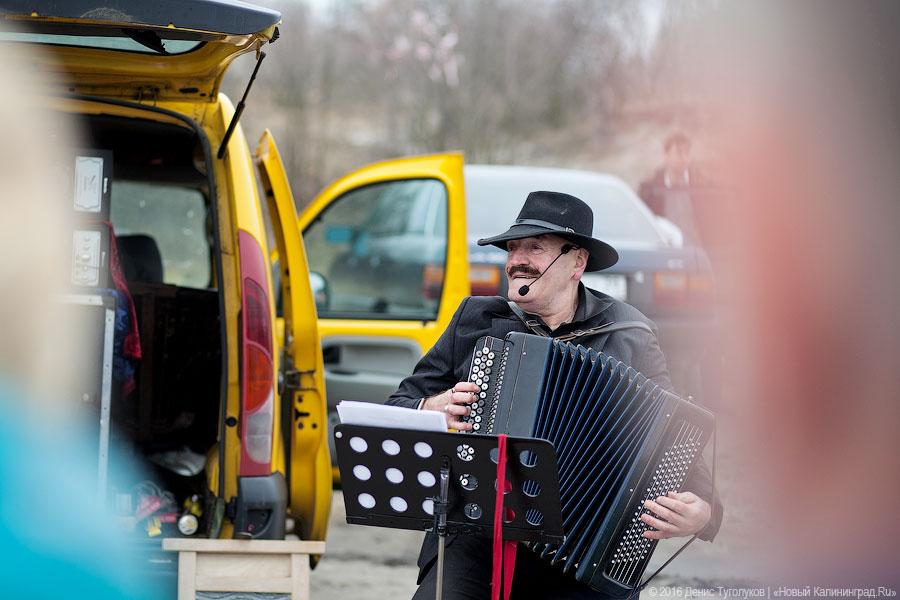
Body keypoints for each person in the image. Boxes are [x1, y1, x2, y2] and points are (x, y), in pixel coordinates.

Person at [387, 191, 723, 599]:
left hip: (584, 550)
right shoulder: (476, 321)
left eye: (534, 247)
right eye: (512, 248)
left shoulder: (629, 336)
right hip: (477, 535)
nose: (516, 260)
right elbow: (397, 407)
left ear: (577, 263)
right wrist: (431, 407)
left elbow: (675, 438)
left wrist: (704, 511)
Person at [639, 132, 705, 245]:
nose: (684, 158)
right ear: (665, 155)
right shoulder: (650, 188)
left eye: (687, 153)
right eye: (679, 153)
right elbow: (643, 222)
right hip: (665, 252)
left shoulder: (703, 185)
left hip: (696, 252)